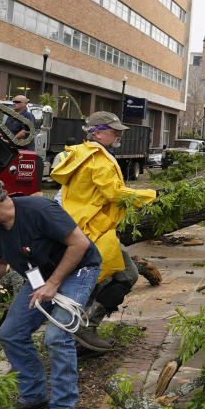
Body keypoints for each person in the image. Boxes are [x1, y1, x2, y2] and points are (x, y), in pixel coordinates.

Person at [0, 175, 101, 409]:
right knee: (10, 334)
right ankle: (34, 397)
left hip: (78, 270)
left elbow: (79, 244)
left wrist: (53, 283)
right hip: (39, 277)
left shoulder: (39, 210)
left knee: (57, 336)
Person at [50, 111, 156, 352]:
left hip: (78, 224)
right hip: (92, 228)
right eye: (113, 130)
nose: (119, 134)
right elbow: (113, 194)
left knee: (95, 277)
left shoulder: (79, 153)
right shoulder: (98, 158)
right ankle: (83, 328)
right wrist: (152, 195)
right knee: (125, 275)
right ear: (96, 131)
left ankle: (75, 329)